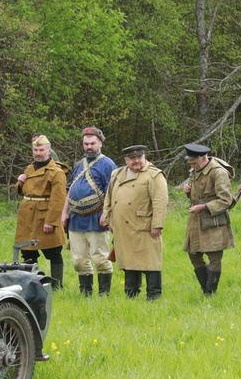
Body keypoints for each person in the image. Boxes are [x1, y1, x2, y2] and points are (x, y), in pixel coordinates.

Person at [102, 144, 170, 299]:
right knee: (128, 261)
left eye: (139, 157)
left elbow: (160, 202)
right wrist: (106, 215)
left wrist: (157, 225)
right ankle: (131, 293)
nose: (136, 161)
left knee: (151, 262)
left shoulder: (154, 175)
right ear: (126, 159)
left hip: (144, 227)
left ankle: (154, 295)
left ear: (144, 157)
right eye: (132, 158)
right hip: (122, 227)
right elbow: (109, 197)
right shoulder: (117, 174)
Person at [67, 128, 118, 296]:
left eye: (92, 143)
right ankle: (85, 294)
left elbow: (112, 194)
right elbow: (70, 191)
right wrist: (64, 213)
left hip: (97, 218)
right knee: (78, 261)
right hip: (76, 219)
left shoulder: (108, 165)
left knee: (100, 259)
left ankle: (104, 294)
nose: (89, 147)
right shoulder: (78, 165)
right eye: (86, 143)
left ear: (100, 143)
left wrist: (106, 215)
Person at [180, 142, 236, 296]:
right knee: (194, 255)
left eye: (194, 162)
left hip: (214, 222)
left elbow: (226, 200)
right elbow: (196, 195)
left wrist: (204, 207)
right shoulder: (195, 170)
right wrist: (188, 192)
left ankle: (210, 293)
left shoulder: (218, 172)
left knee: (214, 257)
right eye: (191, 163)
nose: (192, 165)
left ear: (204, 158)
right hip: (195, 221)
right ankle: (206, 290)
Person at [12, 135, 68, 284]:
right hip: (27, 217)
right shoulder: (29, 168)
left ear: (48, 151)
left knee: (53, 252)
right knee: (28, 251)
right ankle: (29, 283)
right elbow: (24, 190)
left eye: (41, 149)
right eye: (35, 149)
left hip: (44, 216)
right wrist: (20, 183)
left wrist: (51, 221)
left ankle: (56, 285)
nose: (38, 152)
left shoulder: (56, 172)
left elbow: (58, 199)